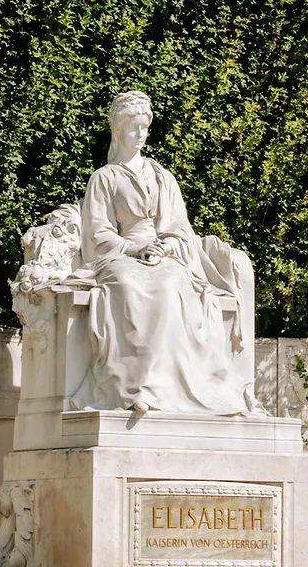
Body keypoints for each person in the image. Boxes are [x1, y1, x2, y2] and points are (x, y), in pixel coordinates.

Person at [72, 91, 262, 416]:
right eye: (133, 127)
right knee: (128, 286)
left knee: (173, 285)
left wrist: (166, 246)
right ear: (118, 130)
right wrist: (134, 247)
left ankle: (170, 389)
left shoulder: (162, 176)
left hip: (165, 255)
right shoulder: (103, 178)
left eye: (144, 127)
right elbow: (98, 232)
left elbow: (179, 227)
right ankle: (134, 388)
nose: (140, 134)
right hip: (120, 255)